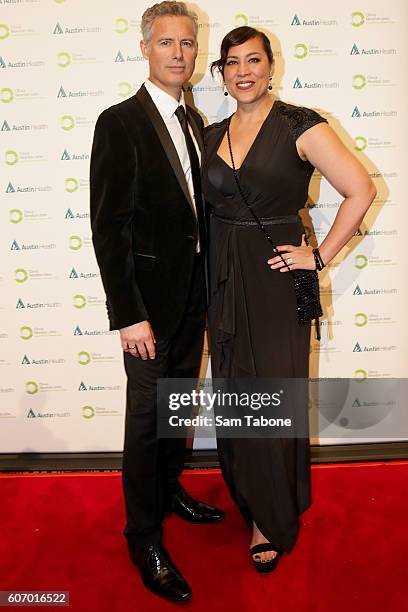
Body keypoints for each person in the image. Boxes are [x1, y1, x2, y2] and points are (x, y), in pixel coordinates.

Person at [202, 26, 376, 573]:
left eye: (253, 59)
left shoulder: (301, 125)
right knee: (233, 391)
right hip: (222, 277)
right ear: (222, 73)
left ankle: (271, 519)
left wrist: (319, 255)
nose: (243, 71)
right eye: (232, 63)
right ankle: (253, 492)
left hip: (276, 281)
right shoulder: (210, 133)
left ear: (271, 66)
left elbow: (361, 189)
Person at [90, 1, 224, 603]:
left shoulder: (197, 123)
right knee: (146, 423)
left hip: (191, 300)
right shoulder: (119, 122)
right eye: (167, 42)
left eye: (188, 44)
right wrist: (128, 314)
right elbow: (108, 228)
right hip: (145, 309)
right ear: (145, 48)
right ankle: (143, 535)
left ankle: (170, 490)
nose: (178, 53)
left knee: (175, 409)